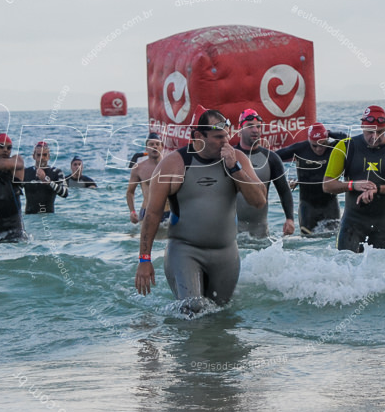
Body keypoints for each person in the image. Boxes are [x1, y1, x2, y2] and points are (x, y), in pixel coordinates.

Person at [133, 109, 266, 308]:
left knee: (221, 317)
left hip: (226, 253)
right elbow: (152, 214)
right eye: (218, 137)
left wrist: (235, 169)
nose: (225, 142)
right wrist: (145, 259)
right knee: (192, 310)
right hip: (185, 251)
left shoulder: (236, 158)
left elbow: (259, 201)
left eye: (227, 136)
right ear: (198, 136)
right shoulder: (173, 165)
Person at [323, 106, 385, 252]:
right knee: (345, 270)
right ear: (362, 126)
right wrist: (353, 185)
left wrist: (377, 189)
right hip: (351, 225)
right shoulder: (345, 147)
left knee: (383, 273)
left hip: (384, 227)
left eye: (380, 132)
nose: (374, 137)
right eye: (370, 132)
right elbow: (327, 185)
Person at [234, 109, 295, 238]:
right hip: (232, 233)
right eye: (250, 126)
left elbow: (284, 190)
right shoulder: (229, 156)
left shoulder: (271, 158)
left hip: (260, 233)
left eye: (258, 127)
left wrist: (290, 218)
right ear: (240, 128)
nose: (255, 130)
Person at [275, 123, 345, 235]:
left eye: (322, 144)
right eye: (314, 145)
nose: (319, 149)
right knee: (308, 242)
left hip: (330, 205)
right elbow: (273, 158)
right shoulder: (301, 149)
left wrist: (329, 132)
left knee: (332, 242)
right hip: (308, 206)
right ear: (309, 141)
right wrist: (284, 179)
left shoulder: (334, 148)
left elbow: (349, 141)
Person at [127, 133, 168, 224]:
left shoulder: (171, 165)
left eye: (157, 144)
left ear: (162, 147)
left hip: (168, 212)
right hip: (147, 212)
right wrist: (132, 211)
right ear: (146, 148)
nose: (155, 146)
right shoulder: (138, 168)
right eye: (151, 144)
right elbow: (130, 192)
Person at [22, 141, 68, 214]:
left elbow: (65, 193)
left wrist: (48, 181)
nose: (41, 158)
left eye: (44, 155)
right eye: (39, 155)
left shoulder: (56, 172)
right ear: (33, 156)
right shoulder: (26, 172)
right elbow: (14, 191)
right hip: (30, 218)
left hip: (49, 217)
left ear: (48, 156)